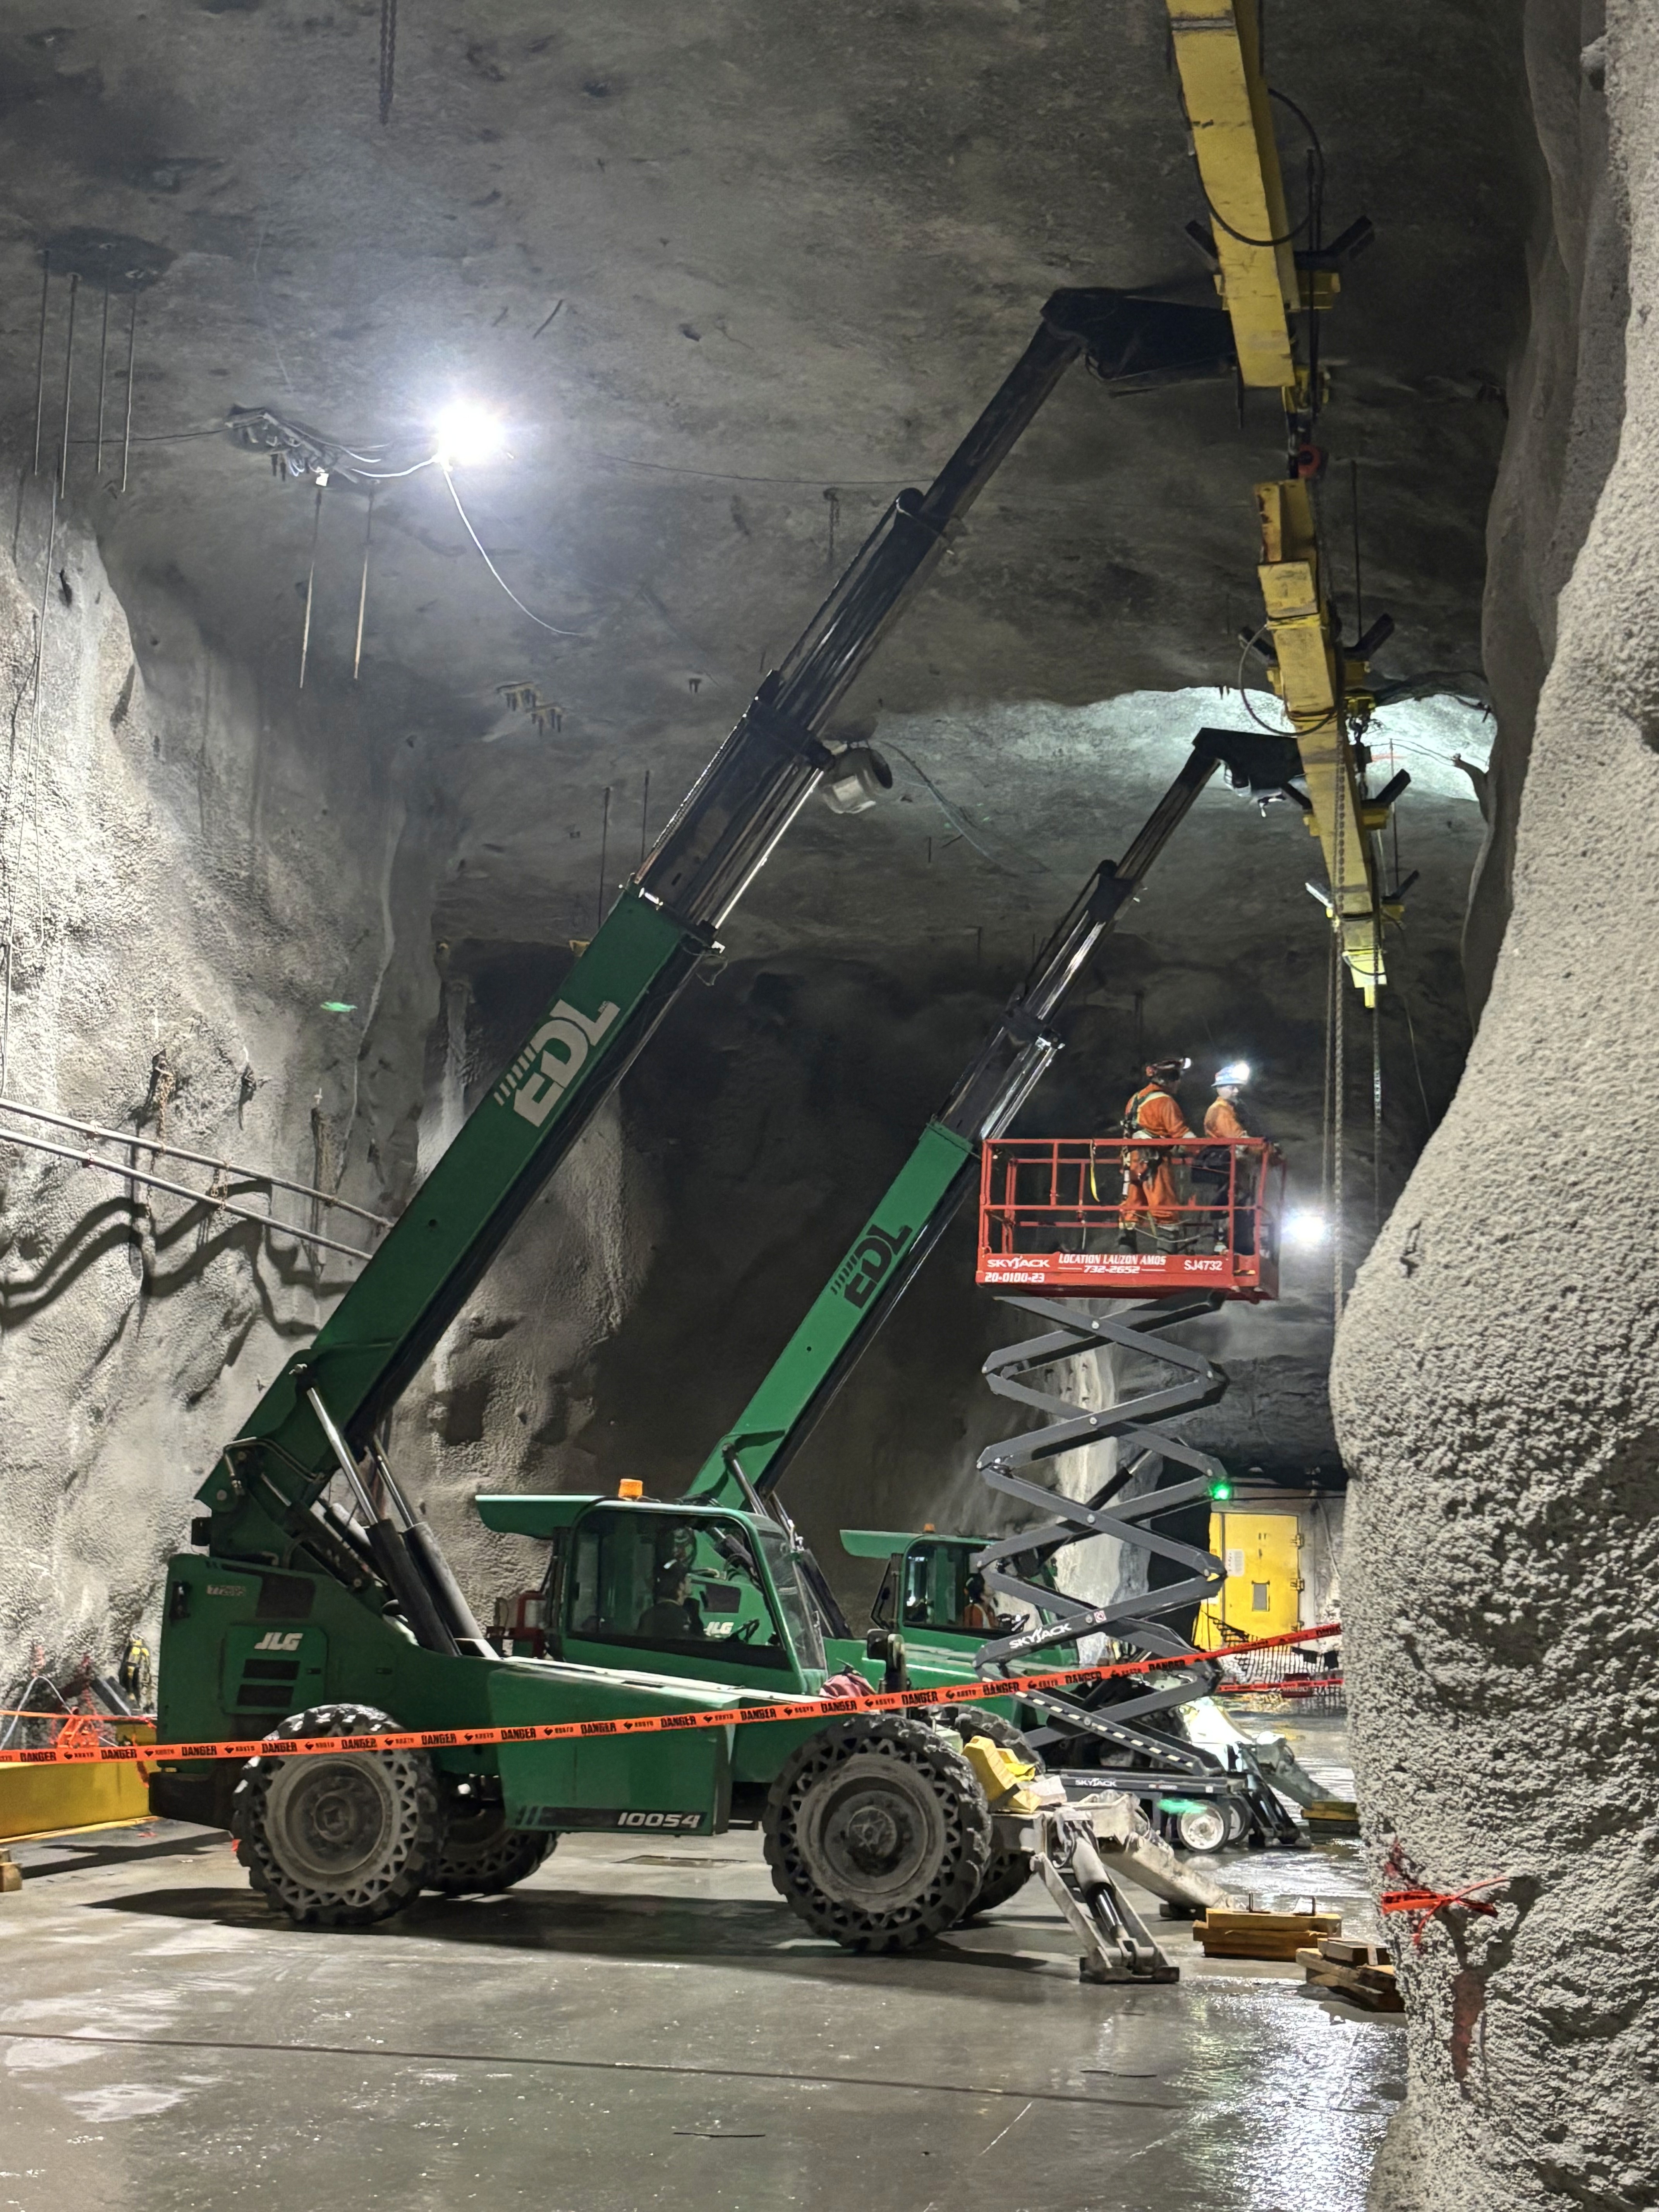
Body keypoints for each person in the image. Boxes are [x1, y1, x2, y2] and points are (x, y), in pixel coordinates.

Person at [1119, 1058, 1194, 1247]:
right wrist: (1204, 1149)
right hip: (1154, 1163)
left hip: (1132, 1161)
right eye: (1177, 1078)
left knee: (1132, 1209)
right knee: (1165, 1209)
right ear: (1170, 1080)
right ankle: (1167, 1264)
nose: (1179, 1083)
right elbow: (1182, 1135)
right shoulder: (1165, 1102)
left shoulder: (1135, 1099)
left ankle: (1126, 1260)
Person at [1197, 1060, 1256, 1252]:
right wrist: (1267, 1151)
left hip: (1232, 1167)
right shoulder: (1220, 1111)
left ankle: (1230, 1244)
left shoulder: (1229, 1109)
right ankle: (1227, 1245)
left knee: (1235, 1203)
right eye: (1232, 1087)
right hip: (1226, 1167)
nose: (1237, 1091)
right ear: (1220, 1088)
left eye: (1237, 1087)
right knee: (1229, 1203)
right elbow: (1239, 1139)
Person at [636, 1564, 703, 1641]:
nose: (690, 1582)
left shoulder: (647, 1615)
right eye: (687, 1579)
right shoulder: (681, 1617)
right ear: (681, 1585)